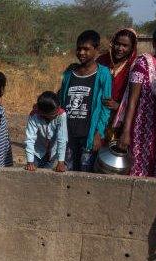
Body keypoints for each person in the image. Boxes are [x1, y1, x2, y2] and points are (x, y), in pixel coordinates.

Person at [117, 23, 156, 178]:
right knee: (138, 172)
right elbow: (132, 101)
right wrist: (126, 132)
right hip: (142, 129)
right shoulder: (142, 63)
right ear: (154, 43)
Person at [58, 30, 113, 171]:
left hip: (88, 135)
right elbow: (61, 100)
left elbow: (105, 107)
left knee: (84, 174)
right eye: (79, 49)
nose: (81, 53)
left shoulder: (103, 73)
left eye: (86, 49)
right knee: (67, 172)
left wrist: (98, 133)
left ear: (96, 50)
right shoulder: (69, 73)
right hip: (68, 134)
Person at [98, 28, 138, 137]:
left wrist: (119, 107)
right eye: (118, 44)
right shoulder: (101, 61)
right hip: (98, 115)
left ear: (132, 48)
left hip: (120, 123)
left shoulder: (135, 67)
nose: (120, 48)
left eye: (125, 46)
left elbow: (138, 99)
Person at [24, 91, 68, 172]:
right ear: (43, 113)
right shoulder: (34, 115)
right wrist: (30, 161)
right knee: (32, 176)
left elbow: (62, 138)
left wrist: (61, 161)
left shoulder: (61, 115)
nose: (57, 113)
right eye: (54, 113)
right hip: (36, 152)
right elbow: (29, 138)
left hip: (52, 153)